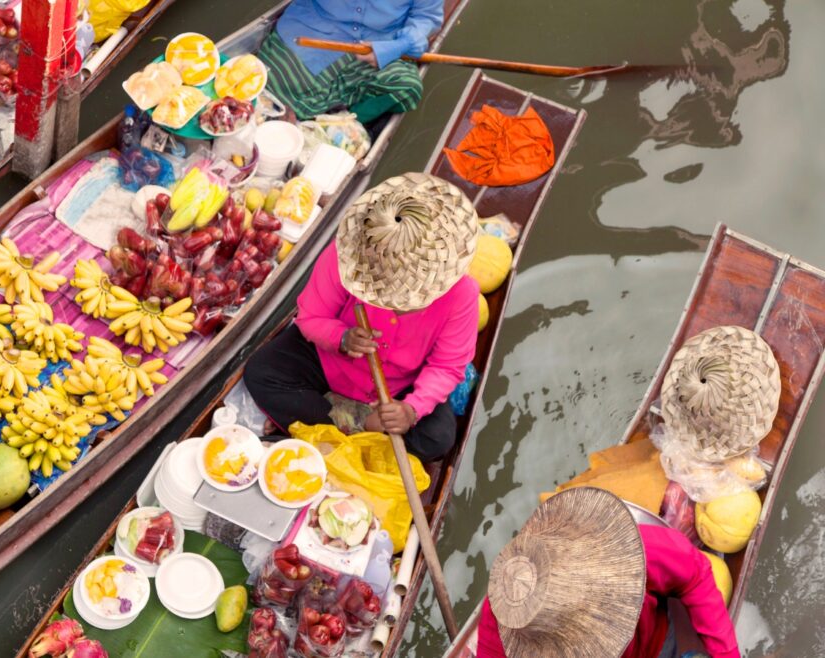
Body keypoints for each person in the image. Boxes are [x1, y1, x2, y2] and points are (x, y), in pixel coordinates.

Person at [243, 172, 479, 461]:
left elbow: (447, 365)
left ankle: (325, 426)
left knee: (437, 439)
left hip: (399, 387)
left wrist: (411, 409)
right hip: (332, 365)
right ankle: (361, 426)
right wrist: (341, 338)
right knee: (261, 372)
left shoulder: (463, 293)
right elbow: (310, 318)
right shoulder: (347, 256)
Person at [475, 487, 740, 658]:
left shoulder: (628, 552)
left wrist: (726, 654)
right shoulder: (511, 609)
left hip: (653, 642)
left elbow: (695, 574)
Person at [258, 0, 444, 124]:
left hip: (382, 39)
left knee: (406, 86)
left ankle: (344, 126)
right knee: (268, 82)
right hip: (315, 26)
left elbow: (426, 17)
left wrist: (400, 44)